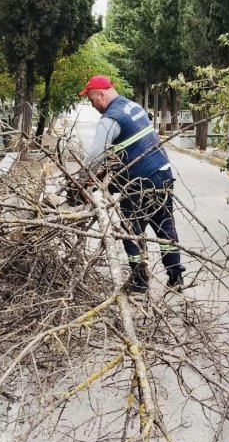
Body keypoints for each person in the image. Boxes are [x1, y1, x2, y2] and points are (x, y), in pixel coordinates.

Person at [78, 75, 186, 294]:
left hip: (138, 184)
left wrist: (81, 181)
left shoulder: (111, 118)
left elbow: (95, 156)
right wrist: (103, 177)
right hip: (162, 176)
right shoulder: (132, 106)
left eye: (91, 100)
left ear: (101, 94)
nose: (92, 105)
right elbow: (129, 148)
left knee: (131, 232)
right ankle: (176, 278)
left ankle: (139, 283)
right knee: (165, 228)